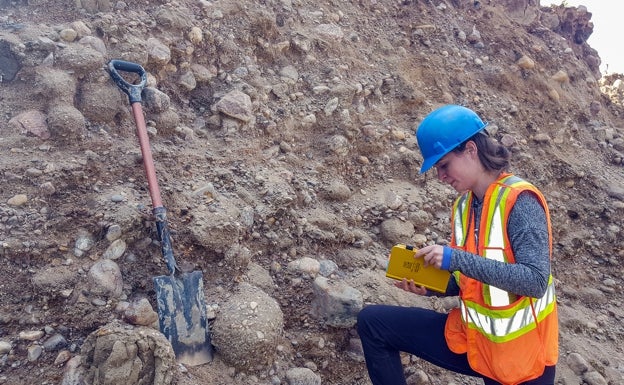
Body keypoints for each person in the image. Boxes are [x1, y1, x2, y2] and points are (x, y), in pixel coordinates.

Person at [357, 105, 558, 385]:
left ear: (472, 150)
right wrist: (431, 286)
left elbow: (535, 281)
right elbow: (472, 281)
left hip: (520, 361)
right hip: (473, 340)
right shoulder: (465, 206)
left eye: (444, 165)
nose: (441, 176)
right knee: (373, 323)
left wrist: (455, 259)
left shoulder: (520, 201)